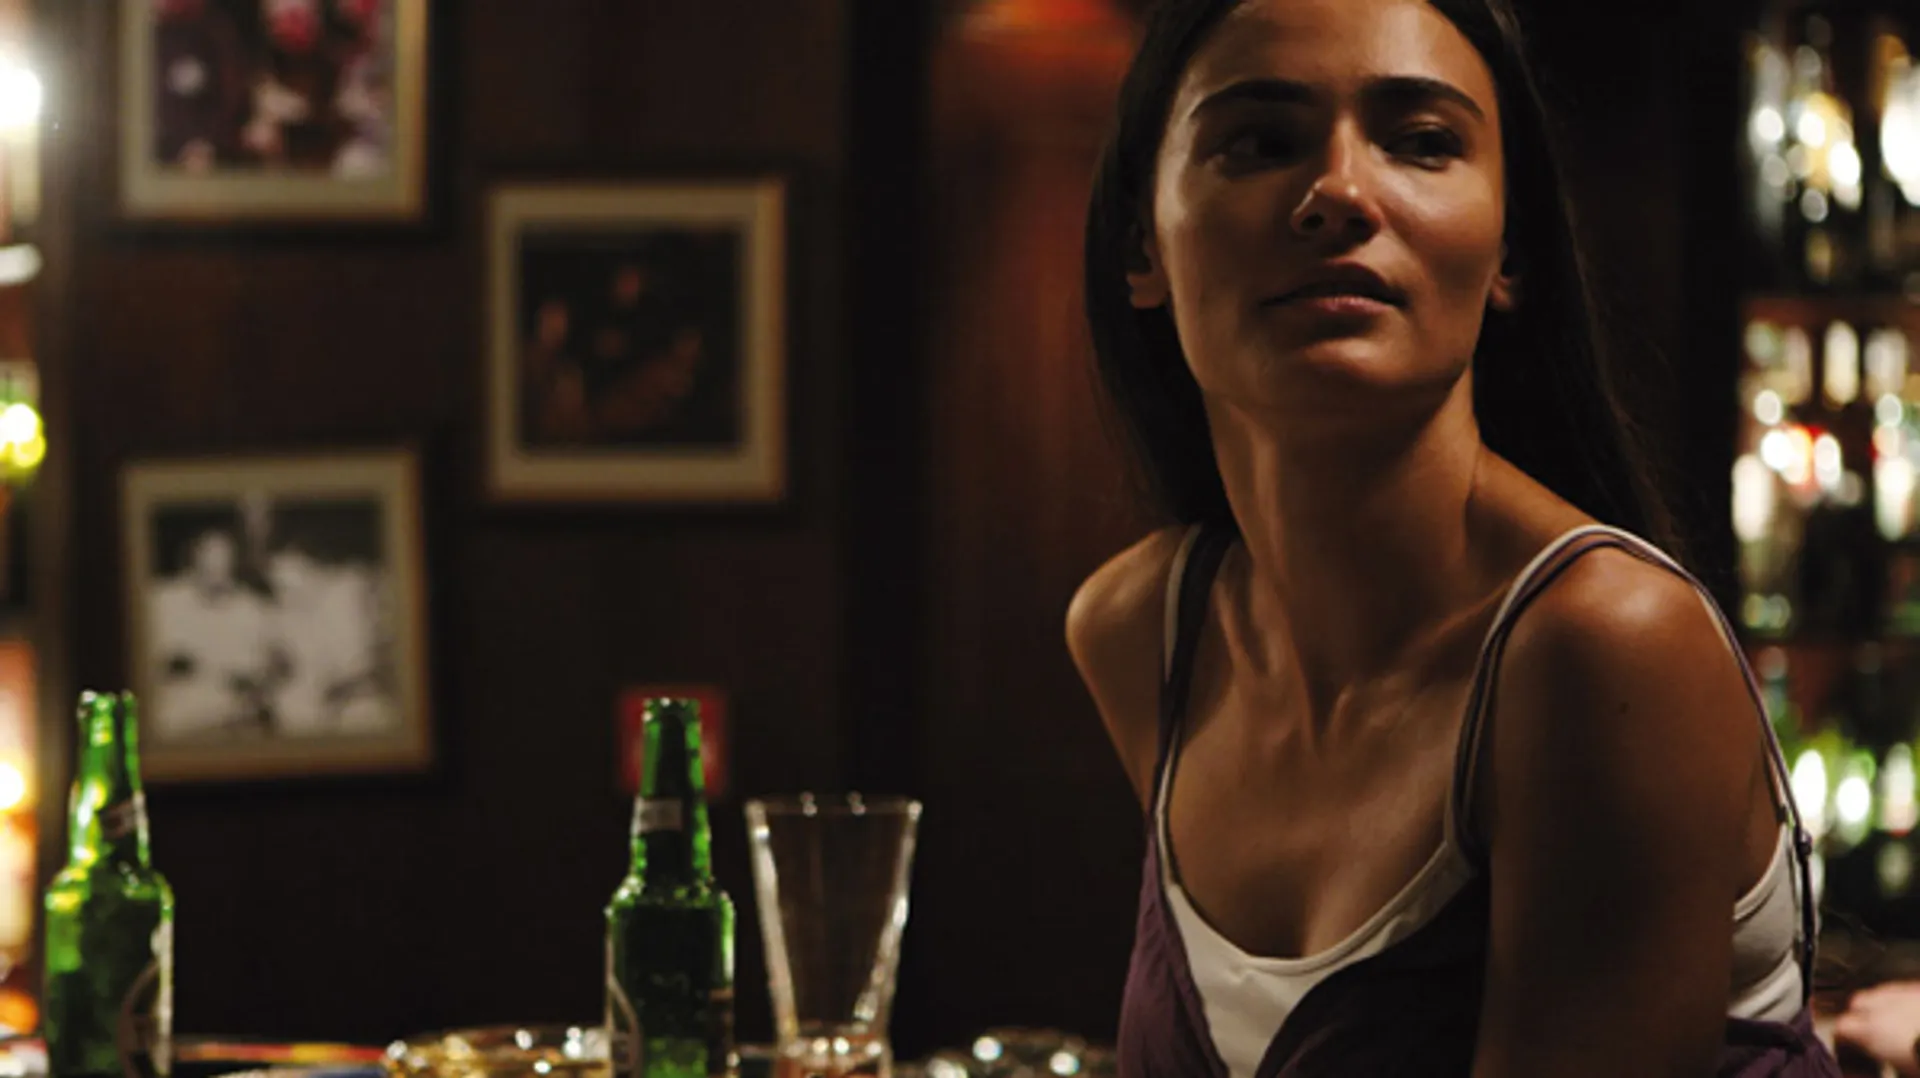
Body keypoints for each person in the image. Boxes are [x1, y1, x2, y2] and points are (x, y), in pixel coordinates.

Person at [1063, 1, 1841, 1075]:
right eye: (1262, 141)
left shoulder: (1605, 647)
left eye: (1422, 141)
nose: (1339, 191)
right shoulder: (1140, 630)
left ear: (1510, 245)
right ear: (1140, 246)